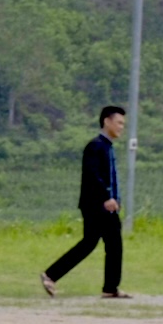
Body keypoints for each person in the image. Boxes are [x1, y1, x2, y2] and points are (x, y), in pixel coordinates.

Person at [41, 105, 132, 299]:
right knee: (106, 244)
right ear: (107, 121)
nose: (121, 127)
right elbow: (93, 175)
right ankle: (52, 275)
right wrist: (107, 197)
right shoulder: (95, 146)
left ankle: (53, 275)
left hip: (106, 204)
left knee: (98, 243)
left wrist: (117, 198)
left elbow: (110, 177)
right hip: (97, 205)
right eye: (119, 123)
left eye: (123, 124)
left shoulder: (107, 146)